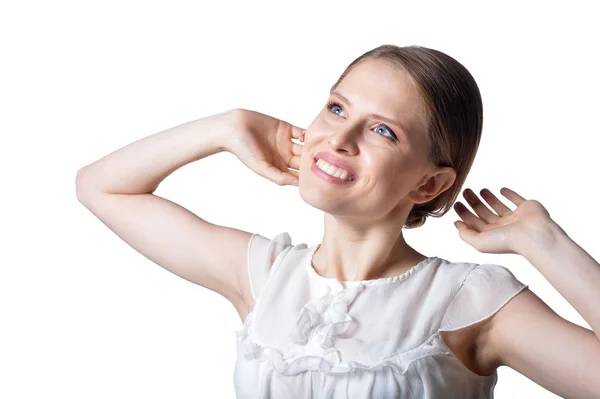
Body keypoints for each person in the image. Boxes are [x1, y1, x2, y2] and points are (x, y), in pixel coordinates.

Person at [76, 45, 600, 398]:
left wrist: (547, 244)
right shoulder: (263, 275)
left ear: (428, 185)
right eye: (336, 108)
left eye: (383, 132)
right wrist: (225, 127)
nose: (340, 139)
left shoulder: (471, 301)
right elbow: (100, 186)